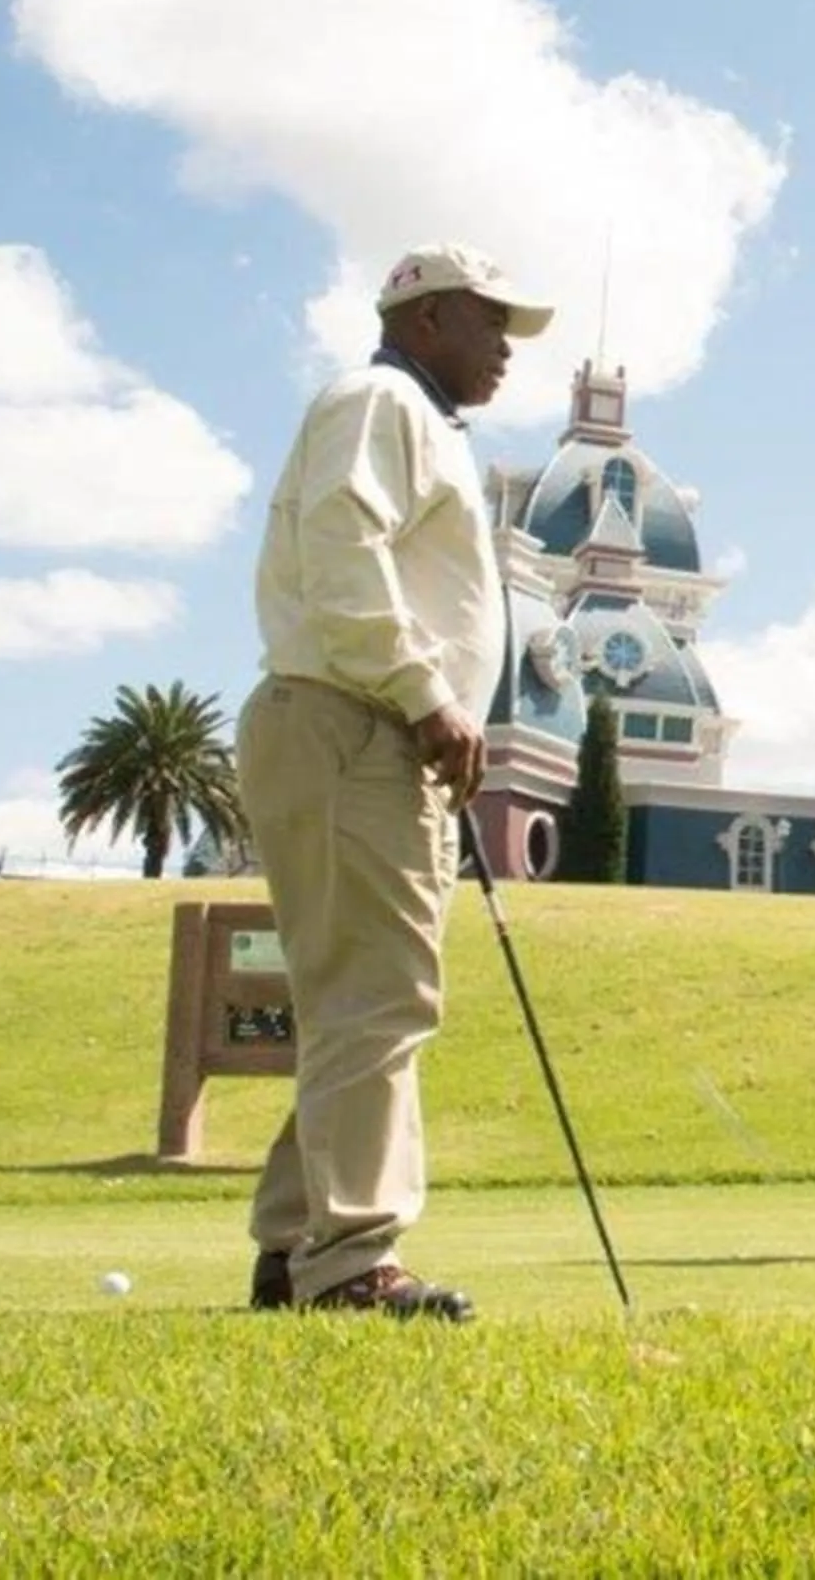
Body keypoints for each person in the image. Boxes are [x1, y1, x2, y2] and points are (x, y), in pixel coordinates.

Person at [237, 243, 553, 1321]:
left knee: (352, 1001)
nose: (505, 346)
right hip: (359, 724)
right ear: (424, 319)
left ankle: (296, 1247)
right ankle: (352, 1262)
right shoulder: (382, 399)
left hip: (366, 729)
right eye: (489, 320)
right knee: (381, 997)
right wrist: (427, 693)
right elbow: (344, 544)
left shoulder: (412, 416)